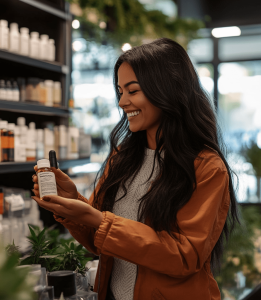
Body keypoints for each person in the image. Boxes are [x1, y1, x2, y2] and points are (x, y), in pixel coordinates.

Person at [32, 37, 240, 300]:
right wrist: (72, 202)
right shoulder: (123, 159)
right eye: (120, 91)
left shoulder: (207, 168)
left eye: (133, 91)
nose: (122, 102)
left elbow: (184, 256)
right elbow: (100, 241)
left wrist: (99, 219)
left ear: (166, 89)